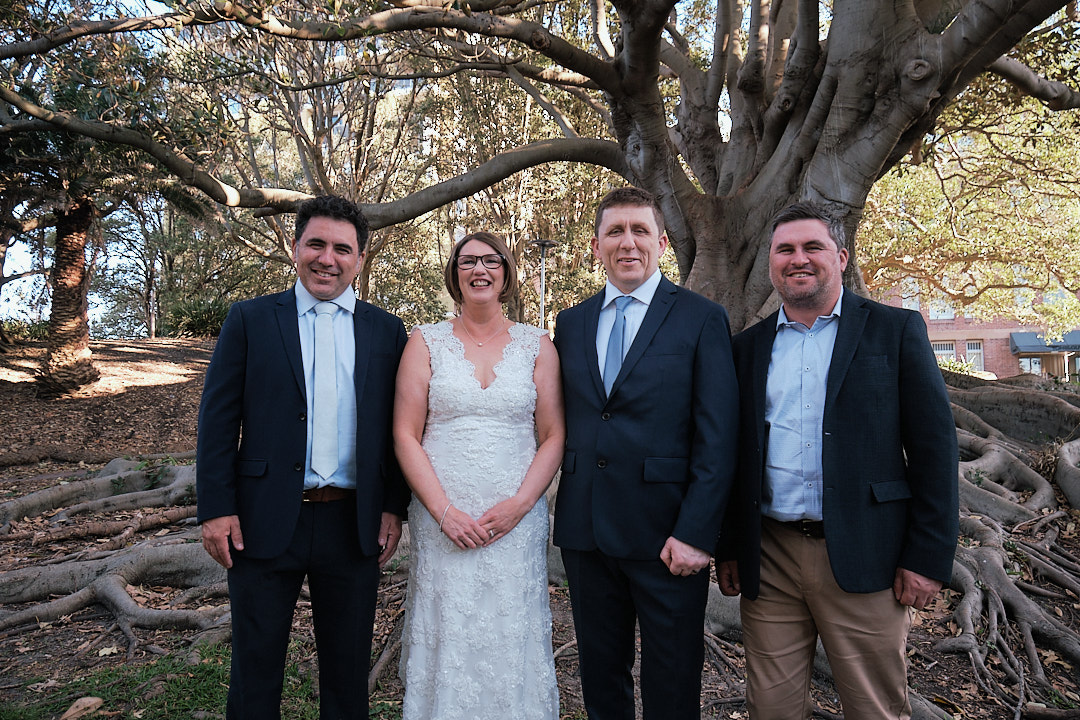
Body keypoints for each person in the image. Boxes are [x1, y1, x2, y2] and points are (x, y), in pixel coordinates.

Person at [716, 201, 959, 719]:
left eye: (813, 247)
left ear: (842, 257)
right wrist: (731, 545)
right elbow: (735, 456)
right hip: (770, 557)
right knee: (771, 709)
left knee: (875, 709)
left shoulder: (895, 330)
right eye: (784, 249)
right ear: (770, 263)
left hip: (866, 554)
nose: (798, 259)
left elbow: (934, 450)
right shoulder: (746, 348)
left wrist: (927, 556)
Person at [196, 195, 408, 720]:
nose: (327, 259)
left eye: (342, 249)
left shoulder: (387, 330)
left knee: (347, 673)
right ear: (295, 248)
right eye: (316, 244)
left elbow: (398, 429)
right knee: (255, 669)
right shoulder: (249, 319)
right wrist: (216, 509)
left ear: (360, 258)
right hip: (262, 519)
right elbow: (218, 421)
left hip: (353, 523)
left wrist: (393, 507)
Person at [553, 187, 739, 719]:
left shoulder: (701, 318)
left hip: (668, 537)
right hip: (586, 534)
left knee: (672, 681)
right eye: (615, 231)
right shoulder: (571, 323)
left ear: (661, 243)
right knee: (600, 678)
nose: (628, 242)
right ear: (596, 246)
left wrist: (697, 533)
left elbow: (718, 437)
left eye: (640, 230)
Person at [393, 231, 564, 719]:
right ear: (455, 274)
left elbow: (554, 435)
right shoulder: (424, 342)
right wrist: (443, 512)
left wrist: (520, 506)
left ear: (506, 273)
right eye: (467, 261)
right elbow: (405, 434)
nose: (479, 270)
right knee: (450, 629)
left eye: (491, 261)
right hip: (443, 521)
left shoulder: (537, 344)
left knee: (510, 631)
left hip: (516, 523)